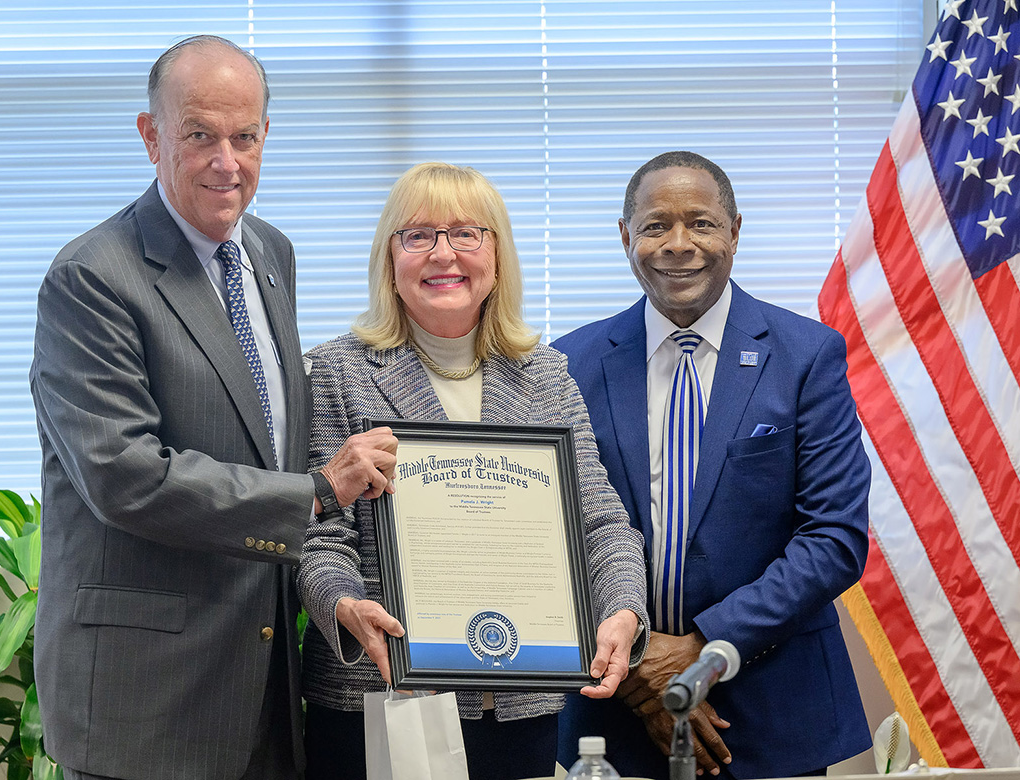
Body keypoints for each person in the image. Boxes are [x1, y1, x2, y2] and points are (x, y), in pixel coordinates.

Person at [30, 36, 396, 780]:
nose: (227, 162)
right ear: (151, 134)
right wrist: (319, 492)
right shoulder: (91, 278)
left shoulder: (269, 253)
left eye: (245, 136)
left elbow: (265, 438)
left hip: (260, 686)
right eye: (200, 135)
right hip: (147, 696)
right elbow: (122, 475)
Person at [295, 161, 650, 780]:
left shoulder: (545, 375)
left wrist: (623, 609)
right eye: (418, 235)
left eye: (466, 233)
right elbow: (320, 532)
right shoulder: (333, 372)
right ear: (390, 258)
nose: (444, 254)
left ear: (497, 253)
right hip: (380, 701)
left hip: (517, 710)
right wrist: (345, 603)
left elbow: (600, 524)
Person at [554, 151, 872, 779]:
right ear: (626, 237)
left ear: (734, 230)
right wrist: (642, 667)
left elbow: (834, 538)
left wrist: (699, 651)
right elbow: (554, 537)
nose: (678, 245)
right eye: (654, 226)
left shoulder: (806, 356)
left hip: (771, 704)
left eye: (700, 223)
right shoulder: (569, 364)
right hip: (613, 710)